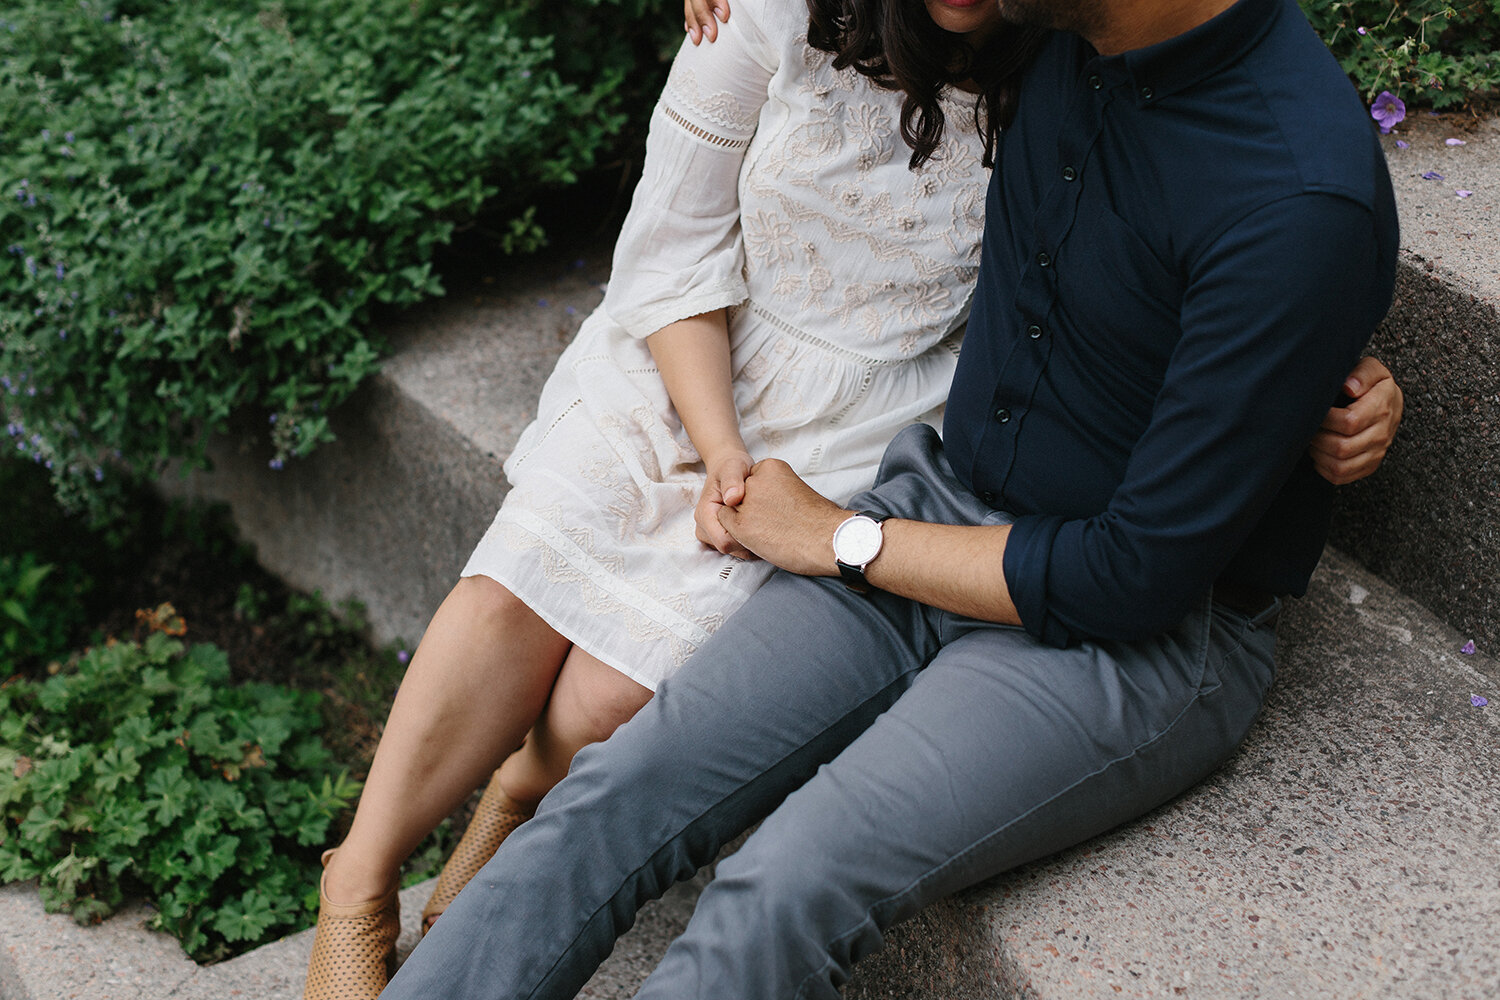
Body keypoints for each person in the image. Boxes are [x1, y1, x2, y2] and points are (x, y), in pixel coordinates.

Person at [304, 0, 1401, 993]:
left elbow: (1129, 577)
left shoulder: (1299, 198)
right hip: (947, 497)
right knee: (619, 789)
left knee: (782, 883)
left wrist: (841, 537)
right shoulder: (1060, 30)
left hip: (1131, 633)